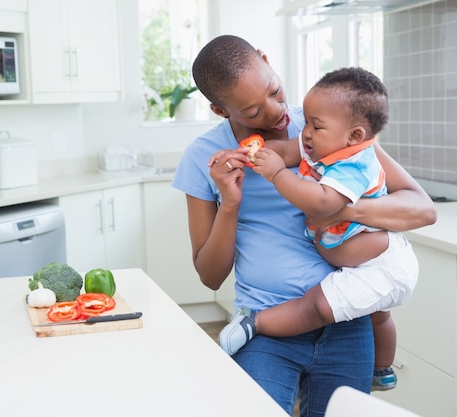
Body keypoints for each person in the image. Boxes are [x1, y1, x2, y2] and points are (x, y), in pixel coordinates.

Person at [171, 35, 436, 417]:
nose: (276, 111)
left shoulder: (329, 123)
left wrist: (343, 211)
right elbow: (210, 277)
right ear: (219, 110)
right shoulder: (203, 158)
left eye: (275, 91)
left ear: (266, 58)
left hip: (345, 320)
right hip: (265, 328)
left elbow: (422, 209)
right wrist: (229, 204)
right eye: (252, 110)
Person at [225, 67, 418, 392]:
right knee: (378, 315)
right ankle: (382, 370)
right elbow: (288, 150)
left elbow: (322, 203)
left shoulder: (355, 163)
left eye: (316, 125)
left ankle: (254, 322)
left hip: (381, 266)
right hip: (359, 254)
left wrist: (276, 175)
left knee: (321, 305)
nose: (306, 132)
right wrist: (257, 154)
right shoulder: (322, 144)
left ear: (354, 136)